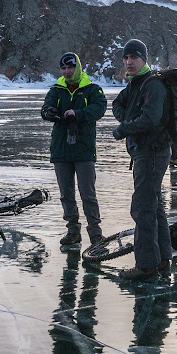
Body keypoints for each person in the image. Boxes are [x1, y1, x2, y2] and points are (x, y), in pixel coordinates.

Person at [111, 38, 173, 281]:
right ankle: (162, 259)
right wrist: (126, 117)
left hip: (152, 154)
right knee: (154, 206)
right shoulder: (135, 85)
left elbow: (150, 119)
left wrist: (124, 128)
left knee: (143, 208)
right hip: (145, 153)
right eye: (126, 58)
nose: (128, 62)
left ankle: (146, 266)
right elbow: (117, 104)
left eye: (134, 57)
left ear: (143, 59)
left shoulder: (153, 85)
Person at [41, 51, 106, 249]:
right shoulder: (56, 90)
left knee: (88, 194)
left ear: (77, 67)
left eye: (70, 67)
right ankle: (73, 231)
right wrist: (49, 112)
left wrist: (78, 114)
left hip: (84, 150)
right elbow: (45, 109)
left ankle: (95, 234)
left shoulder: (92, 90)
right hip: (61, 151)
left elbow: (100, 108)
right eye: (64, 68)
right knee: (66, 194)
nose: (67, 71)